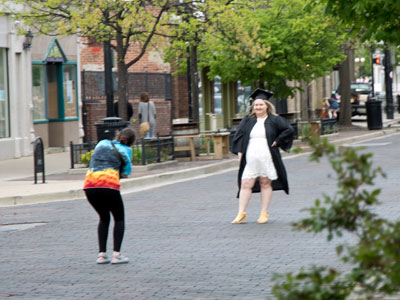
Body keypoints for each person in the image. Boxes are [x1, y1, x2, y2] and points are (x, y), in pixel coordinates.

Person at [231, 88, 294, 224]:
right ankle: (241, 213)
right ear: (253, 107)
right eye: (256, 105)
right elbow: (239, 137)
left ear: (267, 106)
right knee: (245, 183)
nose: (258, 107)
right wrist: (240, 154)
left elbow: (288, 130)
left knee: (265, 183)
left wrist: (277, 141)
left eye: (261, 104)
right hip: (251, 155)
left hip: (267, 155)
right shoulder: (248, 120)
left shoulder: (275, 120)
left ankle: (264, 212)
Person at [83, 128, 135, 264]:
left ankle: (102, 255)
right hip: (109, 186)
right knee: (119, 218)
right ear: (130, 142)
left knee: (104, 218)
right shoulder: (126, 150)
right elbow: (126, 172)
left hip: (90, 186)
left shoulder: (101, 143)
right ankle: (116, 255)